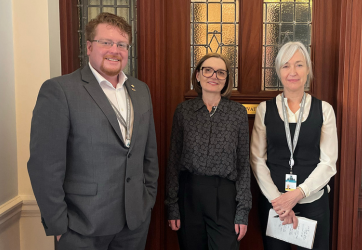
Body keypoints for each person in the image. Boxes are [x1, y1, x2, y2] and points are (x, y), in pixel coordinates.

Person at [27, 13, 158, 250]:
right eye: (105, 42)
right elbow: (44, 165)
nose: (114, 50)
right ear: (89, 47)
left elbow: (149, 155)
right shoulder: (60, 91)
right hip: (80, 228)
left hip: (133, 225)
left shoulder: (141, 91)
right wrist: (58, 224)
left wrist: (146, 201)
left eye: (121, 45)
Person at [250, 41, 337, 250]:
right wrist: (279, 201)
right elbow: (257, 160)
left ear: (308, 69)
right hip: (275, 204)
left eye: (299, 64)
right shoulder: (265, 109)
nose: (293, 71)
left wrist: (297, 194)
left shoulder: (324, 110)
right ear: (279, 72)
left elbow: (328, 162)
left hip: (313, 202)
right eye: (286, 65)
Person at [165, 53, 252, 250]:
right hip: (190, 194)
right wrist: (172, 206)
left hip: (224, 196)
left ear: (226, 79)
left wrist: (242, 211)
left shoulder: (237, 113)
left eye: (221, 72)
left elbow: (243, 163)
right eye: (208, 70)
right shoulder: (183, 112)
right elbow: (173, 161)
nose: (214, 76)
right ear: (198, 75)